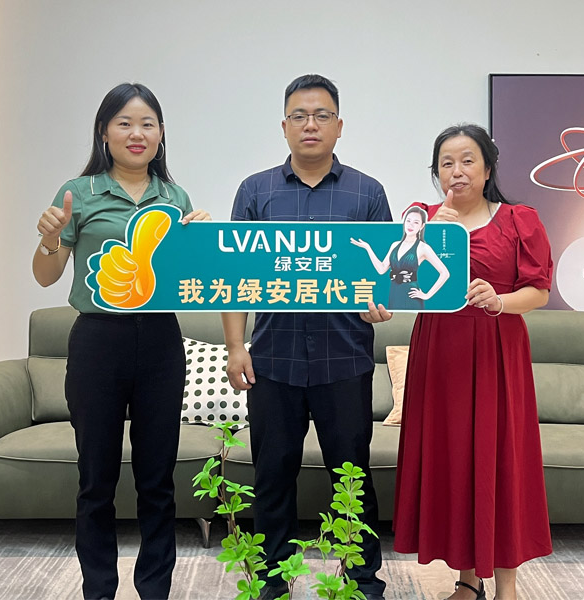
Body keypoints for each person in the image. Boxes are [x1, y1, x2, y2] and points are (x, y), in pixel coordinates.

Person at [32, 82, 210, 600]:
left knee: (158, 480)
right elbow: (45, 276)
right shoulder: (78, 192)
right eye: (125, 123)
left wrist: (201, 243)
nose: (137, 133)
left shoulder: (175, 198)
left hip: (160, 343)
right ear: (104, 132)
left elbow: (191, 282)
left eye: (147, 124)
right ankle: (99, 591)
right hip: (97, 343)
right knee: (96, 480)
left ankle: (155, 590)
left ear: (160, 134)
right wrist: (49, 239)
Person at [222, 74, 391, 600]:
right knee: (273, 475)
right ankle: (273, 581)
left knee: (352, 477)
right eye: (299, 115)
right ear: (284, 126)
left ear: (339, 126)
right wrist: (236, 347)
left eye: (321, 115)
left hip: (345, 360)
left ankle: (363, 581)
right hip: (274, 361)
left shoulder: (368, 192)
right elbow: (233, 279)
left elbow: (385, 277)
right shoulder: (255, 191)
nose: (310, 124)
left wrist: (379, 304)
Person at [392, 124, 553, 600]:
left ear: (487, 169)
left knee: (499, 461)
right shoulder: (420, 219)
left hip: (497, 351)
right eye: (447, 163)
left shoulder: (519, 219)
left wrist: (500, 301)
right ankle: (466, 579)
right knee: (454, 461)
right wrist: (435, 237)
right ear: (436, 172)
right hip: (439, 353)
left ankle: (508, 587)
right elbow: (400, 285)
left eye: (467, 161)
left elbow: (539, 291)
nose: (457, 171)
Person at [350, 205, 450, 310]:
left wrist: (427, 295)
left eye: (416, 222)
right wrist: (368, 248)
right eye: (408, 221)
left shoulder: (423, 247)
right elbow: (381, 269)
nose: (411, 225)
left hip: (411, 295)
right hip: (394, 293)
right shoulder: (395, 245)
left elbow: (445, 273)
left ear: (422, 226)